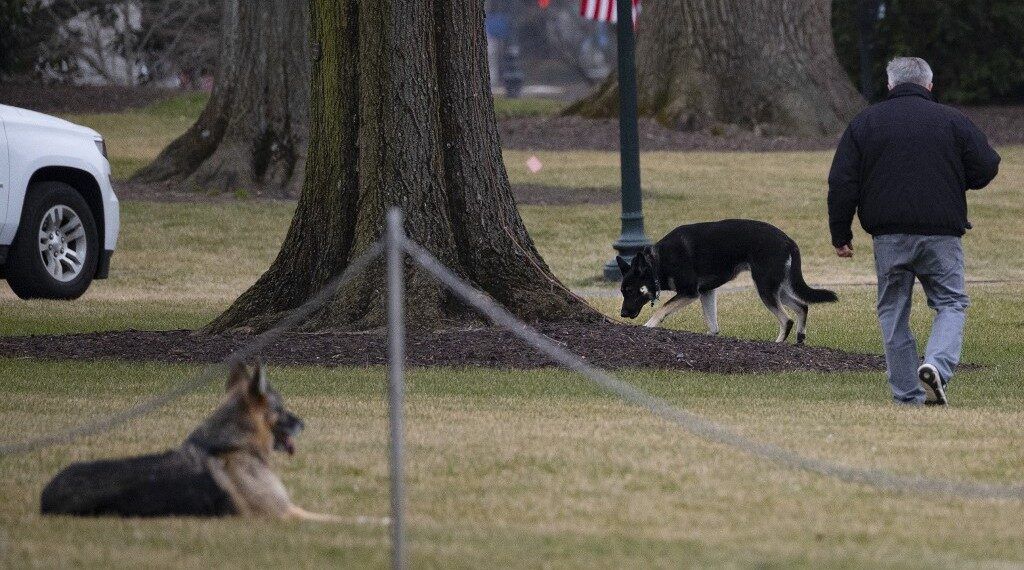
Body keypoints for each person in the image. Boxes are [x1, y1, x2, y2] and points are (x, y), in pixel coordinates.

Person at [828, 57, 1000, 406]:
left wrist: (840, 233)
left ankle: (907, 396)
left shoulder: (866, 123)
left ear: (890, 85)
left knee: (893, 309)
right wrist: (953, 181)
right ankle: (936, 364)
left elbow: (842, 182)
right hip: (942, 233)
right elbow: (986, 165)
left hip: (889, 235)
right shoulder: (952, 120)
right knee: (951, 302)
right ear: (929, 86)